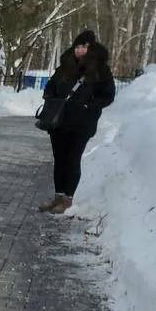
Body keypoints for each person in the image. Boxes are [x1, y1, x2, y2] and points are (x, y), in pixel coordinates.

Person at [38, 30, 116, 214]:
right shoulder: (65, 65)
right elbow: (51, 85)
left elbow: (108, 95)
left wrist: (89, 106)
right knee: (60, 159)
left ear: (91, 48)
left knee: (73, 159)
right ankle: (58, 197)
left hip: (82, 123)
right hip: (58, 122)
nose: (80, 50)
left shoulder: (100, 69)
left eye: (85, 46)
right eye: (78, 46)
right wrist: (50, 98)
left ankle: (67, 199)